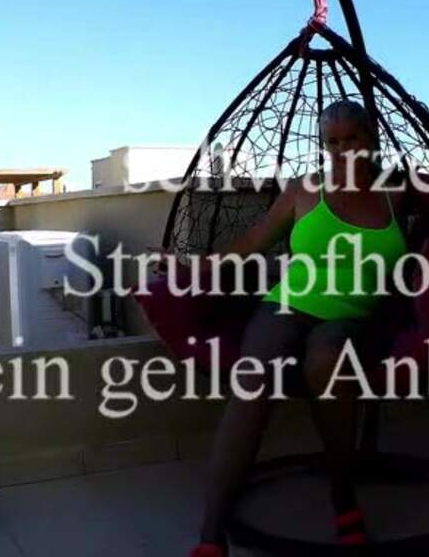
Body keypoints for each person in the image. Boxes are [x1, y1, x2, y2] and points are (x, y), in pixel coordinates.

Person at [155, 100, 408, 557]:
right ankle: (211, 535)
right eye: (332, 142)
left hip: (351, 315)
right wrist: (193, 268)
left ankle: (343, 499)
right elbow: (252, 241)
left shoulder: (397, 195)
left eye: (351, 139)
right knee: (253, 379)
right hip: (287, 304)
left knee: (327, 358)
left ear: (370, 139)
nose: (342, 150)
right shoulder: (304, 190)